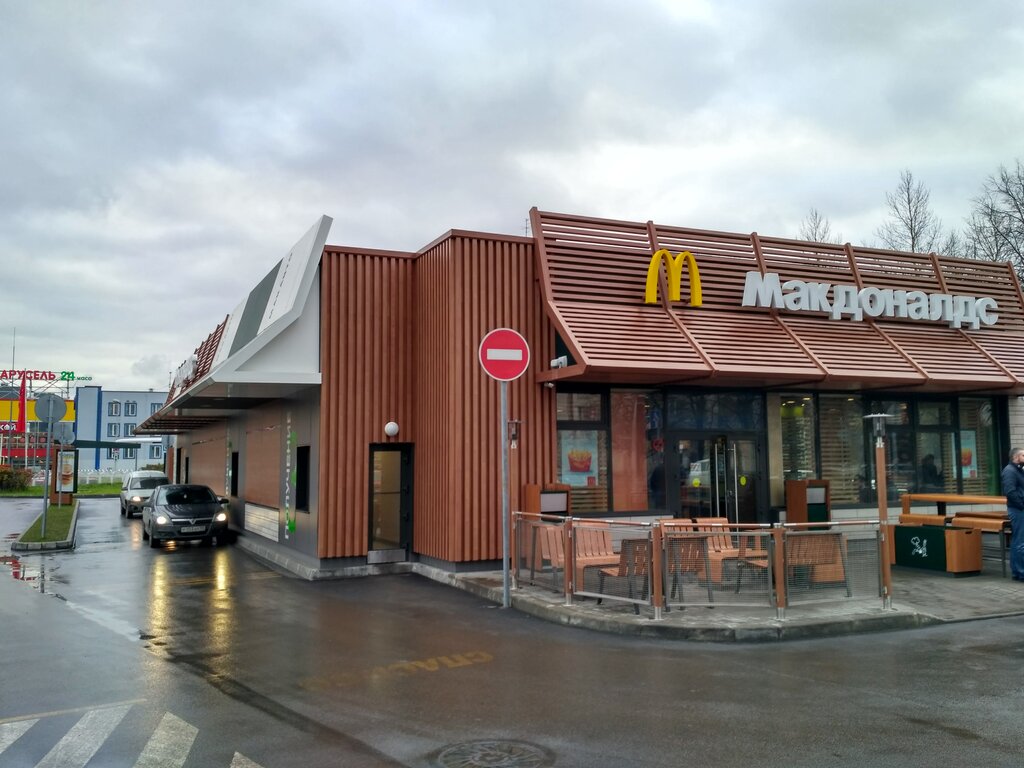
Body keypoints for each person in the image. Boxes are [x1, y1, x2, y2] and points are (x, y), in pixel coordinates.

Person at [1000, 447, 1024, 581]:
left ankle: (1017, 571)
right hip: (1017, 509)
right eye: (1023, 455)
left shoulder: (1018, 470)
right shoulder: (1010, 471)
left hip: (1018, 508)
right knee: (1020, 542)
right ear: (1016, 457)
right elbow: (1010, 491)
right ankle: (1021, 572)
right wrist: (1021, 505)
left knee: (1017, 541)